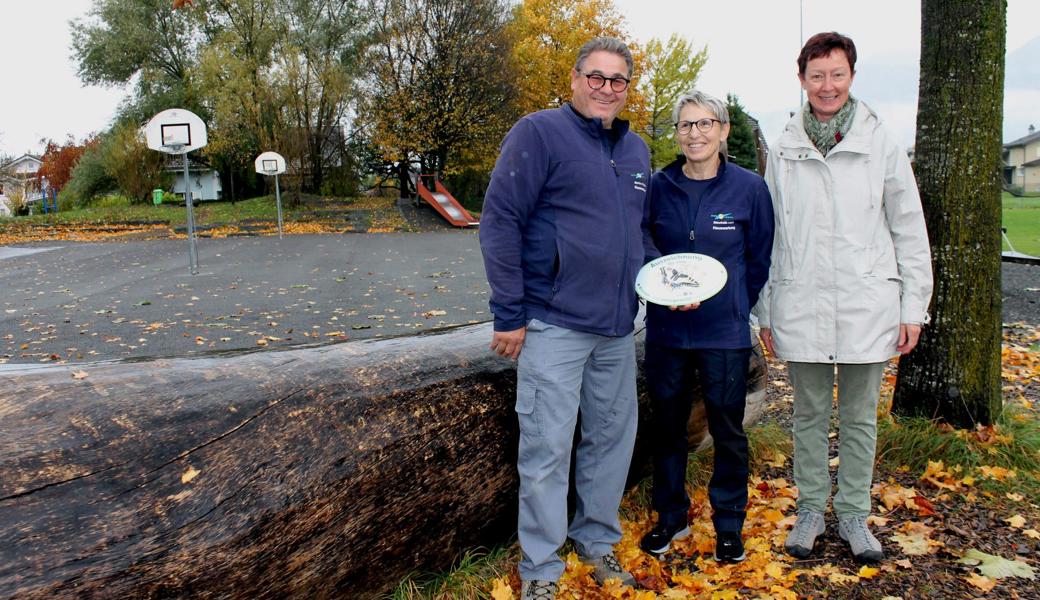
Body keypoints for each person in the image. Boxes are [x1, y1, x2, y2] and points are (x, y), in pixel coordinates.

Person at [479, 37, 651, 600]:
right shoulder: (538, 133)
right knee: (547, 449)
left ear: (628, 88)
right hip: (553, 322)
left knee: (610, 441)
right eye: (596, 77)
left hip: (617, 327)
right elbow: (501, 219)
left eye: (617, 80)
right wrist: (509, 311)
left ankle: (597, 541)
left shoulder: (637, 152)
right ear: (575, 79)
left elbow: (639, 234)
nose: (606, 88)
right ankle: (541, 571)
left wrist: (662, 285)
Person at [755, 31, 933, 564]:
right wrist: (764, 307)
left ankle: (854, 515)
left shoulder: (880, 141)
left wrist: (912, 306)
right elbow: (771, 233)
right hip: (802, 301)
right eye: (817, 75)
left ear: (851, 76)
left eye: (837, 74)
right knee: (808, 415)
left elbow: (908, 227)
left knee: (860, 418)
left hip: (866, 304)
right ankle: (810, 510)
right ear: (802, 79)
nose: (827, 85)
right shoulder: (784, 147)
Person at [639, 91, 774, 562]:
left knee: (728, 428)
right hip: (667, 332)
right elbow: (643, 239)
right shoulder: (659, 186)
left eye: (704, 124)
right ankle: (670, 517)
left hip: (723, 333)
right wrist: (664, 286)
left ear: (722, 130)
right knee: (669, 427)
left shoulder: (749, 189)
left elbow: (758, 259)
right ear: (676, 133)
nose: (694, 133)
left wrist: (734, 304)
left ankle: (729, 524)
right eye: (685, 125)